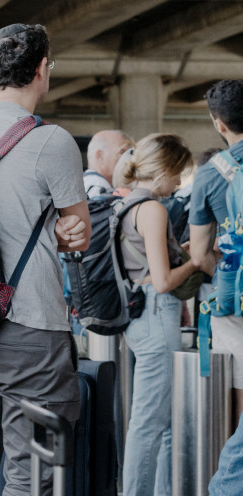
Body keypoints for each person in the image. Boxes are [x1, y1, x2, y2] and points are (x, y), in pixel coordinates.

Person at [0, 24, 91, 495]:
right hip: (29, 328)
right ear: (43, 69)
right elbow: (79, 231)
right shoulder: (53, 141)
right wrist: (59, 234)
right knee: (31, 475)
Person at [113, 134, 197, 496]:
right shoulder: (153, 209)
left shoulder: (125, 205)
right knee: (149, 423)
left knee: (160, 420)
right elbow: (163, 282)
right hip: (156, 313)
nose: (179, 182)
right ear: (163, 170)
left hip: (135, 316)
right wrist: (197, 261)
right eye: (178, 173)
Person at [191, 80, 243, 427]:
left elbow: (199, 254)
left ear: (218, 123)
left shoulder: (210, 175)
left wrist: (230, 278)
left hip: (234, 301)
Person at [84, 130, 135, 198]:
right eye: (122, 152)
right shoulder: (98, 190)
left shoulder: (86, 184)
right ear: (100, 156)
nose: (128, 159)